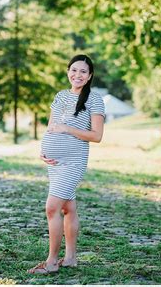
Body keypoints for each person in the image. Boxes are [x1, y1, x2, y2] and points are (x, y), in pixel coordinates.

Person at [28, 54, 105, 274]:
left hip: (73, 162)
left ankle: (51, 262)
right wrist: (44, 151)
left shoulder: (94, 99)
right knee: (67, 207)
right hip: (54, 162)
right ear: (68, 71)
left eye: (83, 71)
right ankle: (70, 258)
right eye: (74, 70)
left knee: (52, 208)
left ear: (89, 76)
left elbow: (96, 136)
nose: (77, 75)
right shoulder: (60, 96)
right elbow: (51, 127)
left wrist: (67, 129)